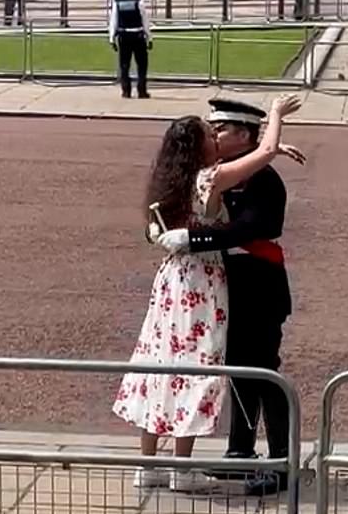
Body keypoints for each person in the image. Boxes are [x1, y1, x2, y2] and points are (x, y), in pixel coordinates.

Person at [113, 94, 301, 493]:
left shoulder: (264, 178)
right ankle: (239, 451)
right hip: (213, 287)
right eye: (212, 130)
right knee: (229, 371)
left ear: (245, 135)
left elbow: (249, 228)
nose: (216, 133)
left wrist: (193, 237)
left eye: (223, 129)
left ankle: (280, 457)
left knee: (262, 371)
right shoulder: (216, 172)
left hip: (255, 287)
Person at [110, 0, 151, 99]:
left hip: (124, 36)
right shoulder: (139, 1)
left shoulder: (117, 2)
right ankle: (141, 90)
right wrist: (150, 37)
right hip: (138, 36)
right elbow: (145, 21)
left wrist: (112, 38)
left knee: (124, 65)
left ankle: (126, 91)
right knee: (142, 64)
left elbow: (114, 21)